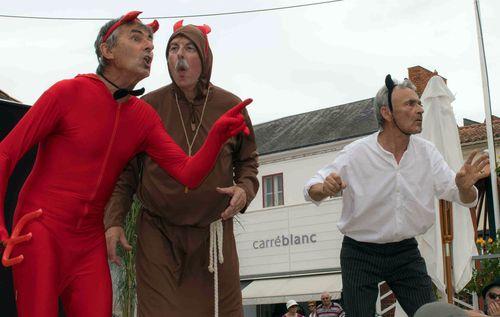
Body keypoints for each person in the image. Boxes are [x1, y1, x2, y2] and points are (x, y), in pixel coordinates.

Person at [0, 11, 251, 317]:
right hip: (40, 230)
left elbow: (188, 173)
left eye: (150, 41)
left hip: (88, 242)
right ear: (106, 50)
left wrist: (216, 136)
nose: (149, 47)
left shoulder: (141, 116)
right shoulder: (67, 93)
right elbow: (5, 153)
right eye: (136, 38)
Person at [104, 20, 259, 317]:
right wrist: (113, 222)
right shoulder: (147, 107)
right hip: (159, 236)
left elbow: (248, 162)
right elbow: (125, 173)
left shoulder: (230, 106)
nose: (180, 56)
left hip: (213, 237)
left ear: (204, 57)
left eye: (189, 48)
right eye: (173, 49)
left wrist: (245, 190)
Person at [304, 75, 489, 316]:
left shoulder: (427, 153)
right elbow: (311, 187)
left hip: (405, 252)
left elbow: (461, 196)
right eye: (410, 104)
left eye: (419, 103)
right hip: (360, 252)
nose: (420, 109)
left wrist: (464, 186)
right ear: (387, 113)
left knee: (429, 313)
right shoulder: (357, 153)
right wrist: (324, 188)